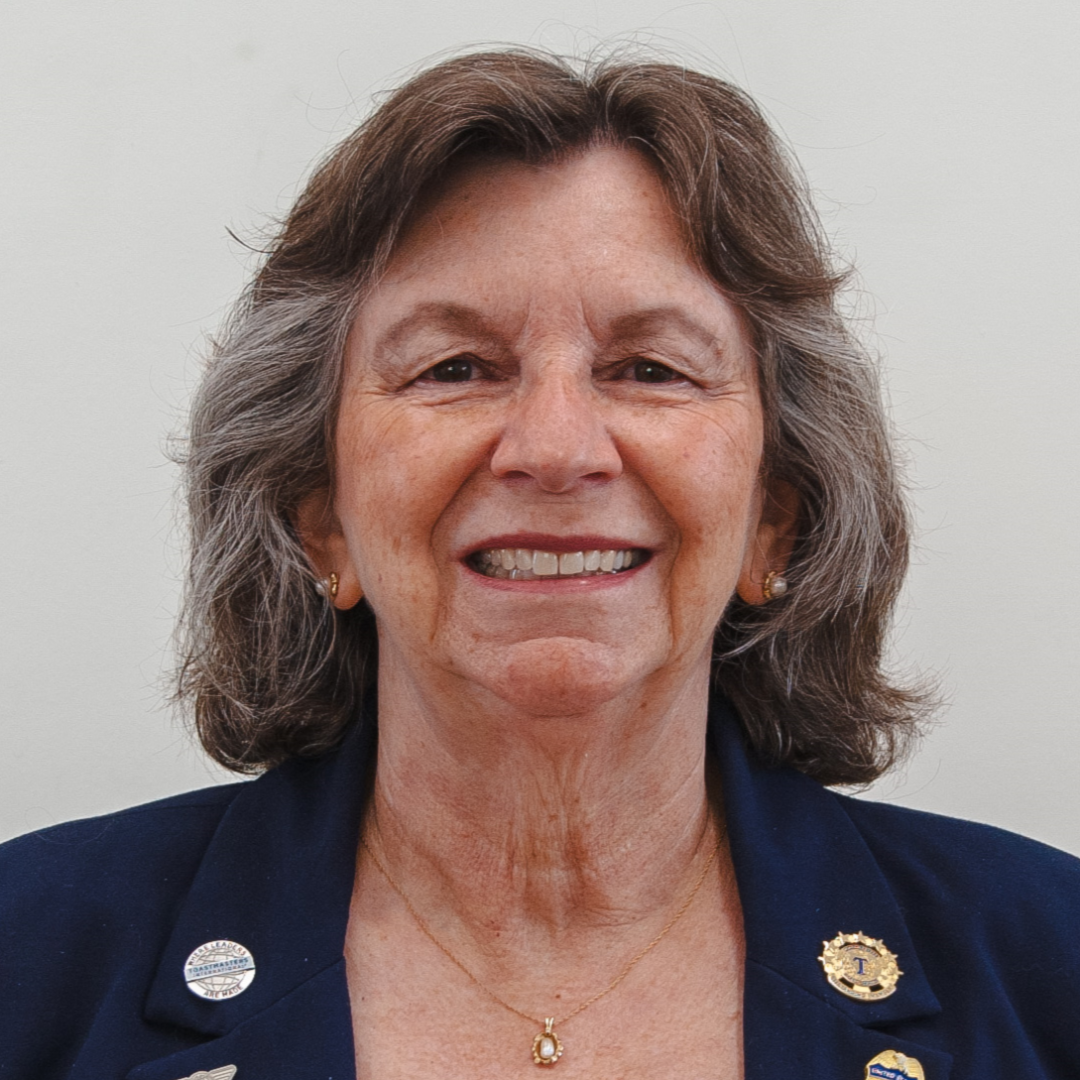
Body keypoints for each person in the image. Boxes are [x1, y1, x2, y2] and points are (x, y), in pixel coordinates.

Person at [2, 49, 1077, 1080]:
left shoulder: (1047, 967)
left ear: (773, 525)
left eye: (650, 369)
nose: (557, 450)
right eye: (456, 367)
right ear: (320, 519)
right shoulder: (31, 963)